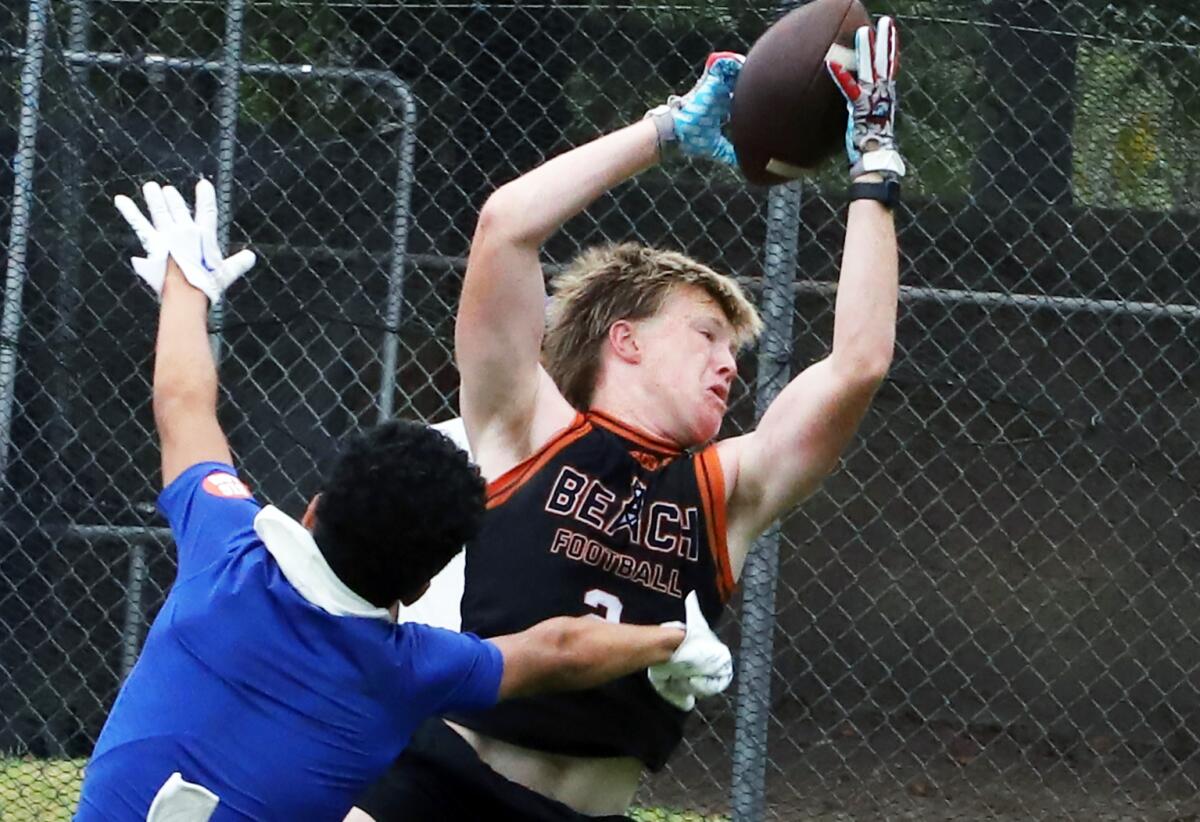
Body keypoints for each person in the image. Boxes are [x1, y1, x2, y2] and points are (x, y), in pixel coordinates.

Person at [353, 16, 906, 821]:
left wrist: (875, 169)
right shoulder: (526, 428)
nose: (728, 363)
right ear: (625, 341)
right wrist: (664, 130)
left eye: (734, 350)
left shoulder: (728, 492)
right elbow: (506, 226)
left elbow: (859, 361)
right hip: (440, 791)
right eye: (707, 335)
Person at [74, 180, 734, 822]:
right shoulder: (412, 668)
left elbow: (184, 404)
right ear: (422, 587)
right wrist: (666, 640)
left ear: (314, 509)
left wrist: (185, 287)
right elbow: (557, 647)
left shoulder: (225, 547)